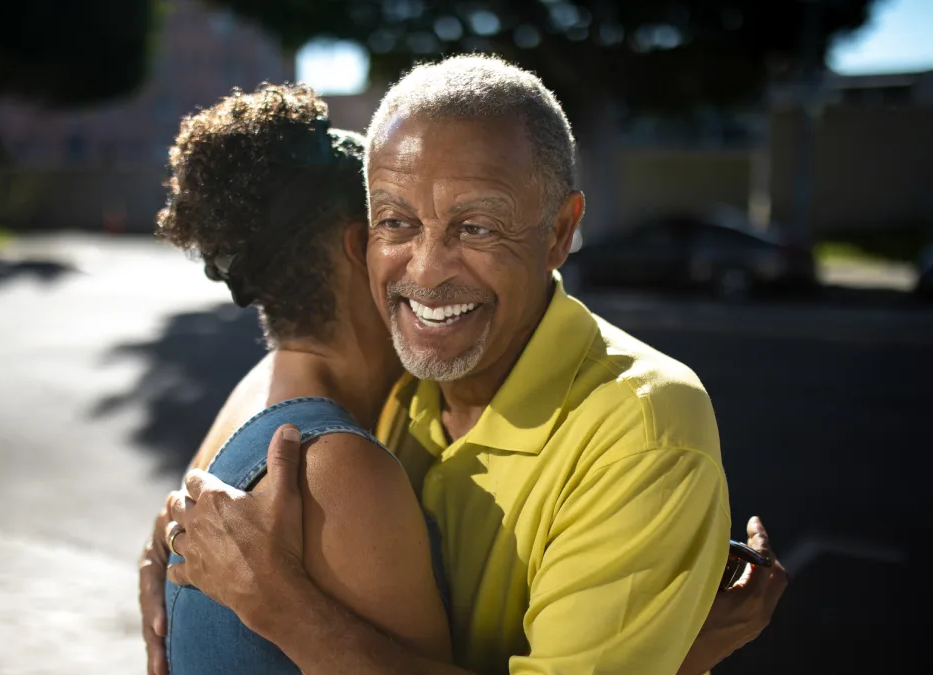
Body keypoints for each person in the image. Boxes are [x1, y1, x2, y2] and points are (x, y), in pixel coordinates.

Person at [143, 58, 789, 675]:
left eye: (477, 226)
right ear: (361, 243)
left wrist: (284, 608)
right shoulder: (394, 388)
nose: (426, 270)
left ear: (560, 231)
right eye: (394, 221)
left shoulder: (642, 426)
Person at [151, 84, 453, 675]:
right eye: (399, 224)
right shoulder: (332, 468)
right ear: (359, 246)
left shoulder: (249, 403)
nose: (426, 255)